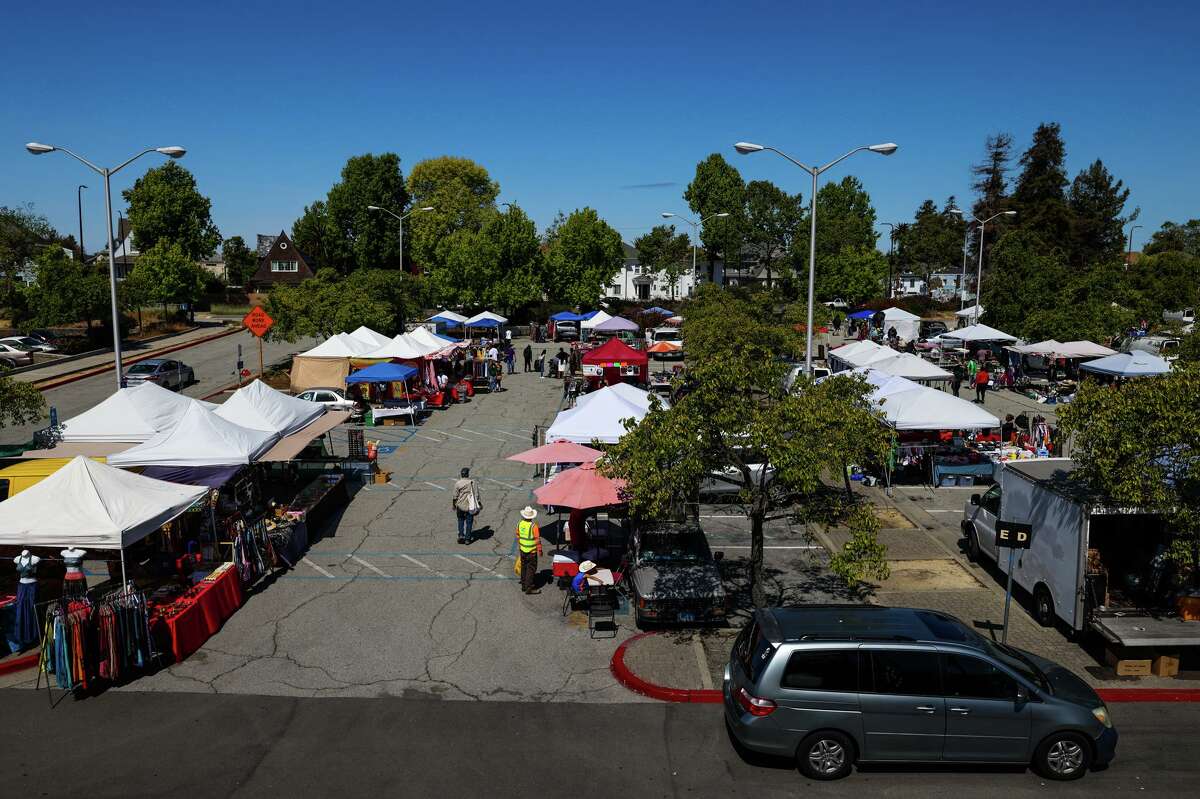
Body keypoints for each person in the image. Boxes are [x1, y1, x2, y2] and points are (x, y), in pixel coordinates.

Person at [516, 505, 542, 594]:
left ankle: (523, 585)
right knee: (531, 569)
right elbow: (537, 539)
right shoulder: (534, 526)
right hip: (531, 551)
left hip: (522, 550)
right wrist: (540, 550)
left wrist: (521, 546)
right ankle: (529, 587)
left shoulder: (519, 524)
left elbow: (518, 535)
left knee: (524, 567)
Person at [453, 468, 482, 544]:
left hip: (460, 506)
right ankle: (467, 539)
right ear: (467, 474)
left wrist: (453, 505)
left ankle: (461, 535)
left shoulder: (458, 483)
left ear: (461, 474)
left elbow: (455, 496)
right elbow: (476, 495)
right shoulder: (473, 482)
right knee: (469, 522)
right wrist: (479, 504)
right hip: (470, 506)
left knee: (460, 520)